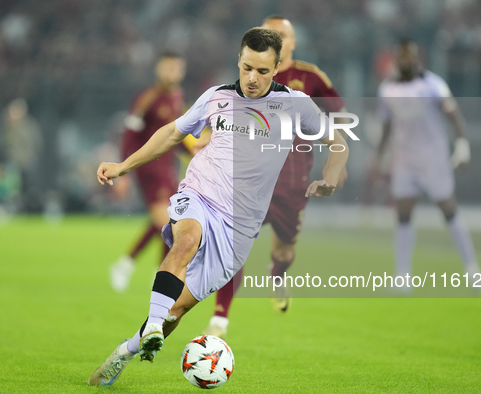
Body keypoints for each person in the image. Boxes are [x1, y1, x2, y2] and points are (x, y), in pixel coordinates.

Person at [89, 27, 349, 386]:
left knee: (177, 310)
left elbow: (338, 142)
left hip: (239, 228)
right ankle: (152, 324)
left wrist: (332, 176)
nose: (252, 78)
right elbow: (171, 133)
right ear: (238, 62)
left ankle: (129, 348)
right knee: (186, 239)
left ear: (276, 70)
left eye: (261, 71)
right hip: (201, 193)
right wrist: (123, 166)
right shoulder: (216, 97)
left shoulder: (294, 104)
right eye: (246, 68)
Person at [203, 15, 346, 339]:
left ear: (291, 44)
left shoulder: (310, 79)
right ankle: (220, 318)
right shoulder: (251, 78)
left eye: (281, 35)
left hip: (292, 183)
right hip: (251, 180)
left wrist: (338, 163)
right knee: (233, 248)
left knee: (284, 252)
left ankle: (277, 275)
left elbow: (337, 114)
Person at [374, 39, 481, 287]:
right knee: (402, 215)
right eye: (401, 56)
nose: (406, 60)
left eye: (410, 55)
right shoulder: (387, 89)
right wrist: (380, 159)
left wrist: (462, 146)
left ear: (417, 57)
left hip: (433, 158)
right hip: (404, 160)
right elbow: (386, 127)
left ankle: (472, 269)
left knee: (448, 210)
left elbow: (453, 114)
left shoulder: (433, 84)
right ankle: (402, 277)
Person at [109, 52, 186, 292]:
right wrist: (123, 170)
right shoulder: (146, 98)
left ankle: (131, 265)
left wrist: (197, 153)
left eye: (176, 68)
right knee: (168, 221)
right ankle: (147, 269)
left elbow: (177, 135)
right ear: (158, 70)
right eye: (167, 68)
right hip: (149, 167)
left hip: (168, 166)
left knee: (168, 220)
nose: (172, 73)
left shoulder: (177, 97)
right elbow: (129, 135)